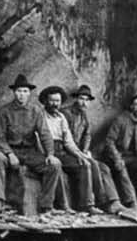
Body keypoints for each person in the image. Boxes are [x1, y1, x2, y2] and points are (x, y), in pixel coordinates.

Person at [0, 73, 62, 218]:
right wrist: (9, 154)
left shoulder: (36, 111)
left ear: (29, 93)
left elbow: (45, 134)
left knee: (55, 165)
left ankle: (46, 206)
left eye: (25, 91)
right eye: (19, 91)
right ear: (14, 92)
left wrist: (50, 154)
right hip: (10, 150)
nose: (22, 95)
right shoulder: (4, 111)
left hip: (29, 152)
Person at [40, 86, 121, 215]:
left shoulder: (63, 117)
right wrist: (49, 154)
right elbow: (40, 138)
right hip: (50, 150)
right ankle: (88, 204)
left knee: (91, 164)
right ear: (45, 101)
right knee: (85, 165)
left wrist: (81, 153)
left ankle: (96, 203)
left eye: (57, 101)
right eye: (52, 101)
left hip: (65, 149)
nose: (55, 104)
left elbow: (71, 140)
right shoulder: (43, 116)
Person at [66, 85, 127, 214]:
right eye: (81, 99)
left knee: (103, 167)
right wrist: (80, 153)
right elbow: (66, 139)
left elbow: (87, 136)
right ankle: (98, 202)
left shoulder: (85, 116)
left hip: (79, 152)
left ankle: (114, 201)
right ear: (76, 99)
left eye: (87, 100)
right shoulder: (66, 114)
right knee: (92, 164)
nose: (84, 102)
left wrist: (85, 150)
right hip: (67, 152)